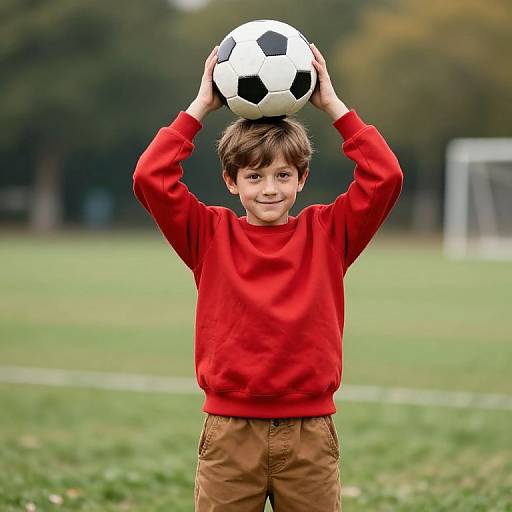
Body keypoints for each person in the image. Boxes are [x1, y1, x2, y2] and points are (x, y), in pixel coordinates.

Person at [133, 43, 403, 512]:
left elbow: (385, 177)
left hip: (311, 435)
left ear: (302, 178)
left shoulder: (328, 233)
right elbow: (150, 178)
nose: (270, 189)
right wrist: (200, 106)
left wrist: (333, 106)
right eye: (254, 177)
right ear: (231, 182)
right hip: (229, 432)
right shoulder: (209, 234)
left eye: (282, 175)